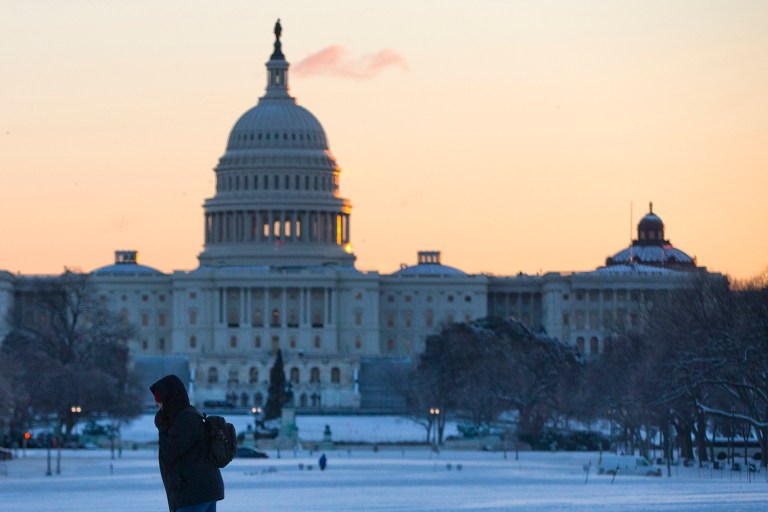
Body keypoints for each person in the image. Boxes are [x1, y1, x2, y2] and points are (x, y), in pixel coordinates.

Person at [150, 375, 224, 512]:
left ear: (170, 399)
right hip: (203, 490)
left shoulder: (185, 419)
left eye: (160, 402)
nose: (159, 406)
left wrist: (162, 426)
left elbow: (169, 451)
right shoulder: (188, 415)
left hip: (194, 492)